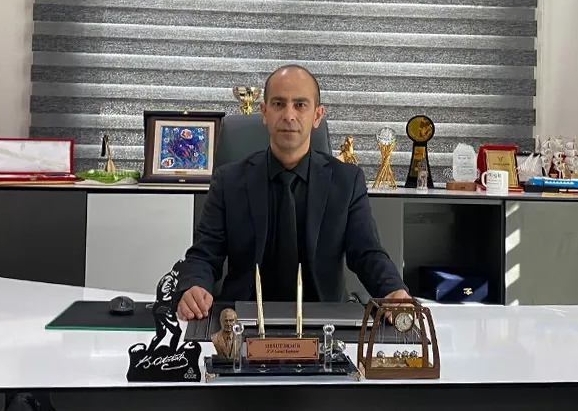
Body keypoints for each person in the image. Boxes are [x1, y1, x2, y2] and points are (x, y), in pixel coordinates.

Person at [175, 65, 410, 321]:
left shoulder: (346, 181)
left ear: (317, 115)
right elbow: (205, 253)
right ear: (264, 112)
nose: (289, 115)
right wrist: (194, 286)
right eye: (278, 104)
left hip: (324, 320)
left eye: (300, 105)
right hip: (243, 320)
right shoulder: (229, 181)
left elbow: (366, 252)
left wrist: (392, 290)